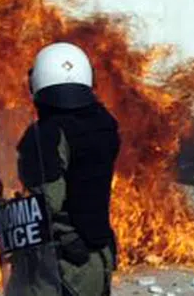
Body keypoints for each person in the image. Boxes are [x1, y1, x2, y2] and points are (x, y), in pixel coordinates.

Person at [17, 42, 120, 296]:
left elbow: (46, 201)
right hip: (99, 255)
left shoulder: (47, 135)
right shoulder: (105, 123)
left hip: (64, 262)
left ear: (36, 84)